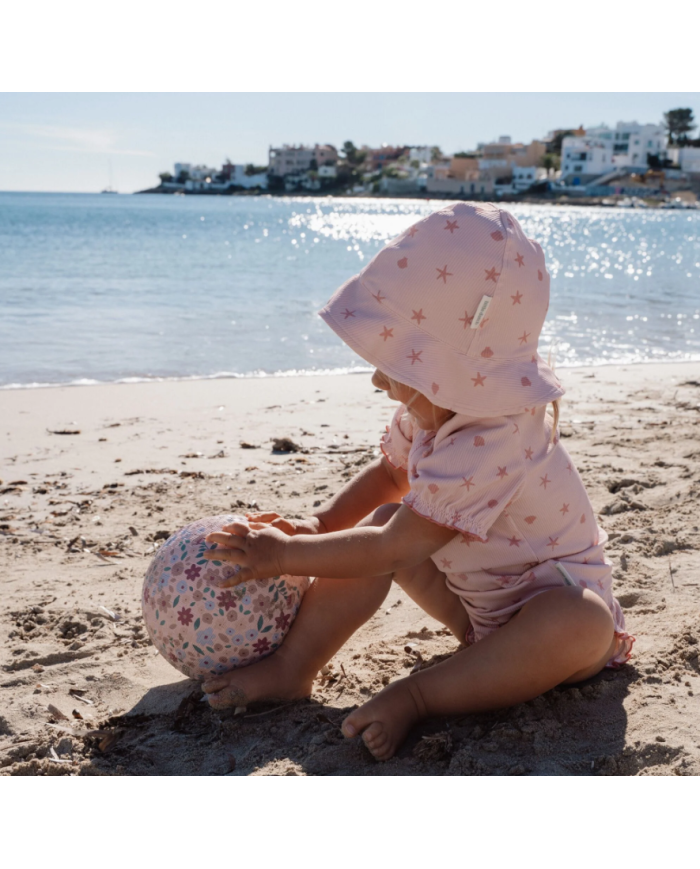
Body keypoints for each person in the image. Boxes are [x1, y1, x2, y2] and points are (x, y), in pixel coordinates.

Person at [201, 202, 634, 761]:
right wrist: (320, 524)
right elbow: (391, 475)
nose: (377, 379)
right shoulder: (435, 410)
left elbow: (396, 548)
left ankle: (419, 696)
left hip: (558, 642)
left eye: (398, 363)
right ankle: (293, 666)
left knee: (579, 618)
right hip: (479, 617)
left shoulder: (494, 437)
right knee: (382, 518)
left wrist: (284, 554)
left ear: (450, 371)